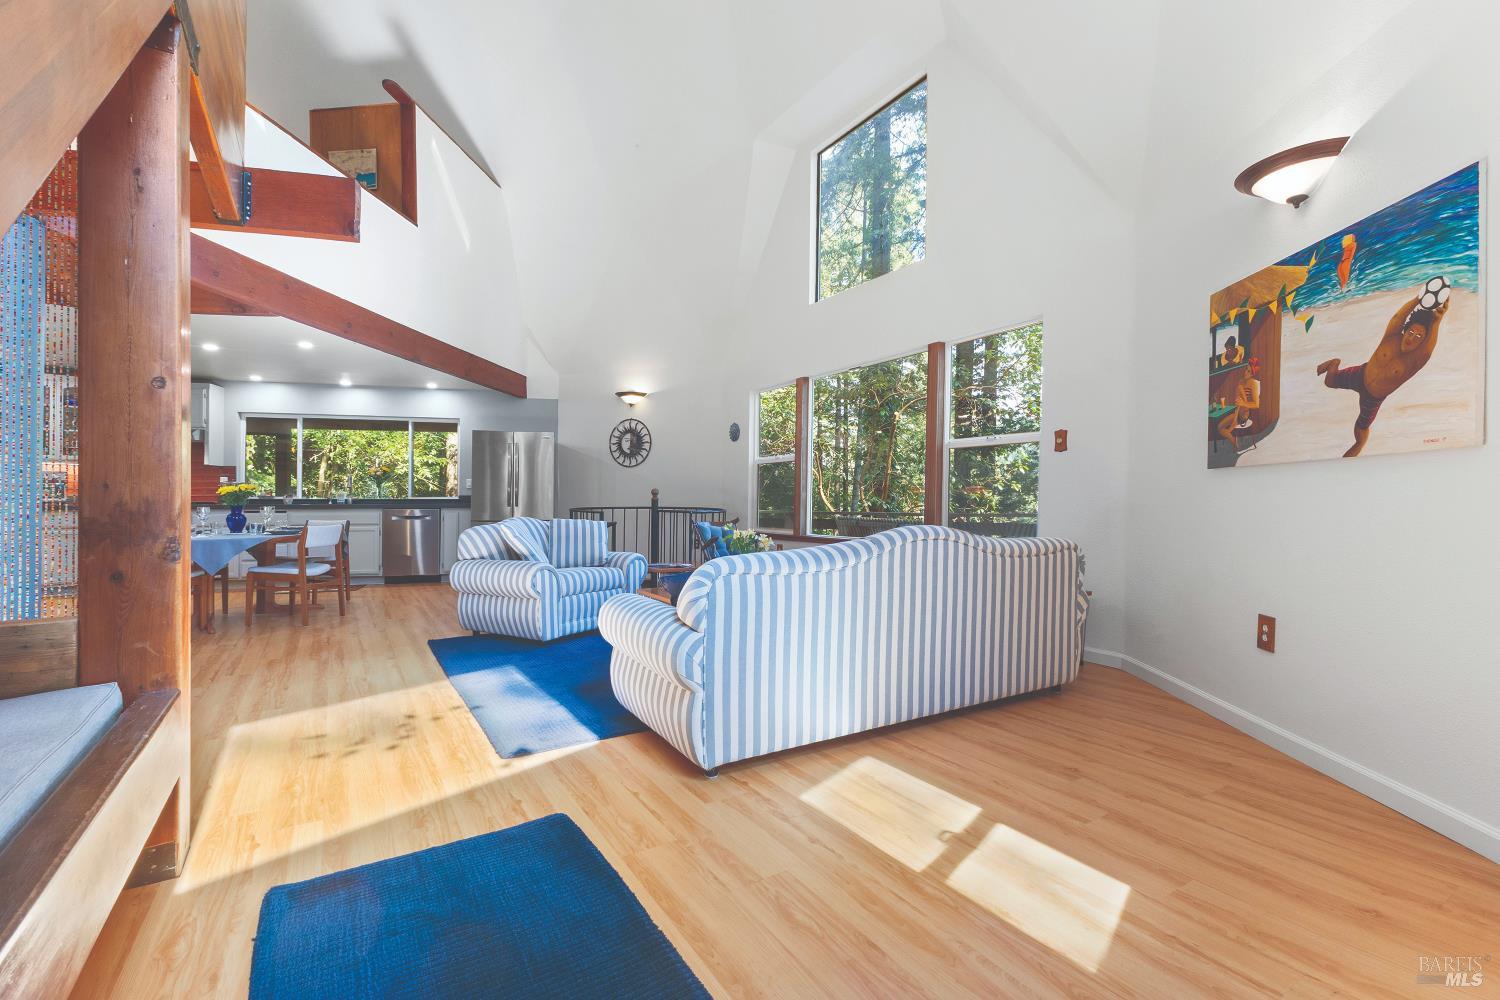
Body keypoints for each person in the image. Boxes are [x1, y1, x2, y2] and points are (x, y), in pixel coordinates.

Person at [1317, 277, 1449, 457]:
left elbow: (1428, 350)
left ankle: (1358, 446)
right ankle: (1334, 363)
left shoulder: (1414, 362)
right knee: (1329, 382)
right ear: (1405, 330)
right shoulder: (1392, 337)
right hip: (1360, 374)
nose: (1412, 338)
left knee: (1361, 428)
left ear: (1422, 343)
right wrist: (1418, 298)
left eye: (1418, 337)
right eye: (1411, 332)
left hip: (1373, 398)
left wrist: (1436, 322)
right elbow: (1398, 317)